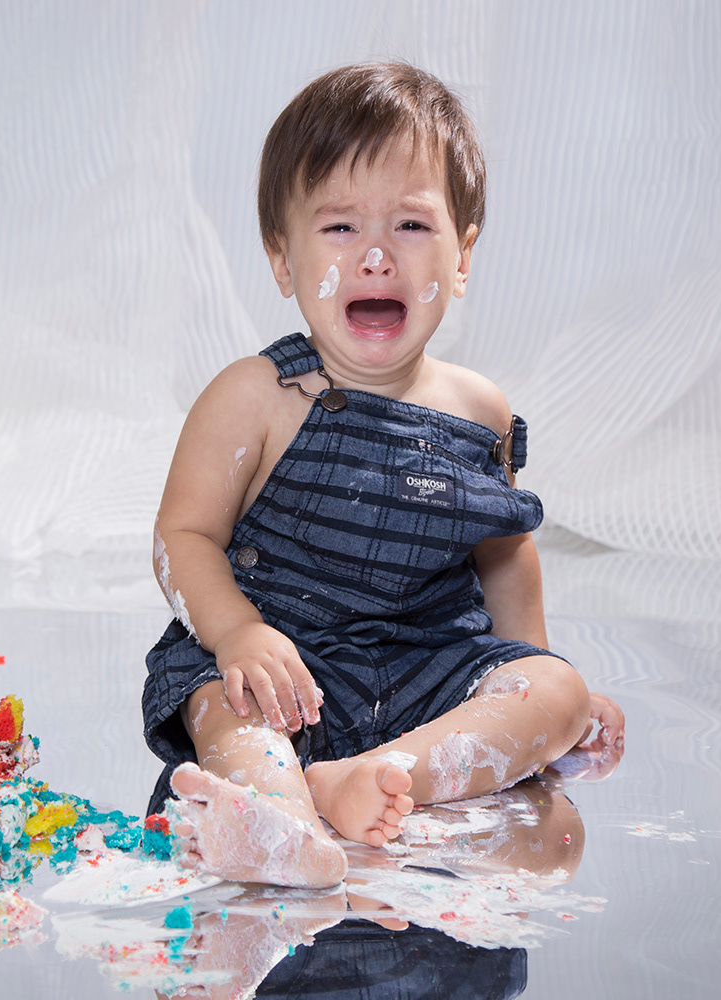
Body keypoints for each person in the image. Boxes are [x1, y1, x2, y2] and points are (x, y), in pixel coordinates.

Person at [142, 62, 624, 889]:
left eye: (410, 224)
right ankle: (277, 814)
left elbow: (504, 552)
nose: (374, 256)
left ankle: (384, 775)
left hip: (426, 678)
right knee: (225, 704)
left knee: (558, 689)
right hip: (285, 673)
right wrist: (237, 632)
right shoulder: (257, 396)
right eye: (339, 227)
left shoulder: (480, 411)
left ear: (462, 256)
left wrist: (526, 683)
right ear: (282, 258)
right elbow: (182, 535)